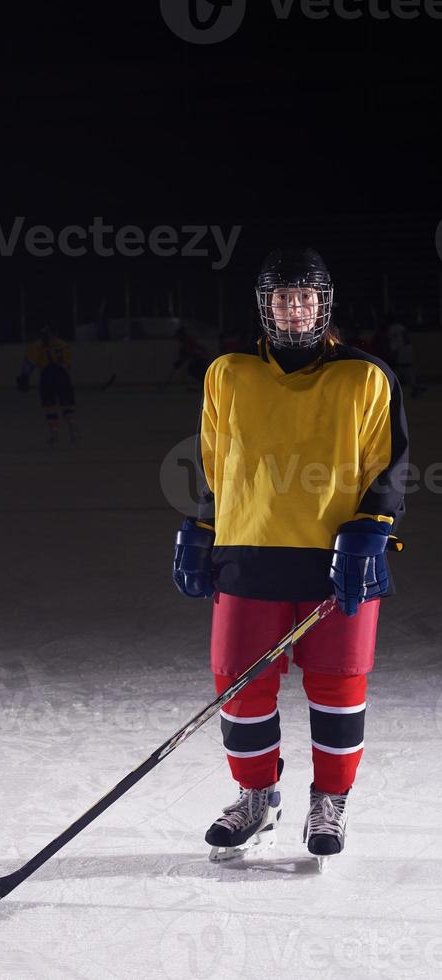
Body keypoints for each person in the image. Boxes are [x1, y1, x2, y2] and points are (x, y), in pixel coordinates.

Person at [173, 248, 409, 869]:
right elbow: (215, 462)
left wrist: (371, 530)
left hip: (337, 564)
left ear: (324, 304)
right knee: (240, 689)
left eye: (305, 297)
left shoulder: (366, 377)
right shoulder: (228, 373)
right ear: (265, 306)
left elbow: (388, 469)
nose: (294, 308)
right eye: (282, 297)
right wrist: (202, 525)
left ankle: (330, 801)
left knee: (337, 691)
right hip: (248, 555)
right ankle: (257, 800)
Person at [16, 325, 78, 446]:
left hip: (47, 376)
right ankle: (73, 431)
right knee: (66, 406)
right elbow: (67, 364)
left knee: (50, 407)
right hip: (63, 376)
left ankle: (54, 434)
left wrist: (24, 376)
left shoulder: (38, 345)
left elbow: (29, 363)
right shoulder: (64, 345)